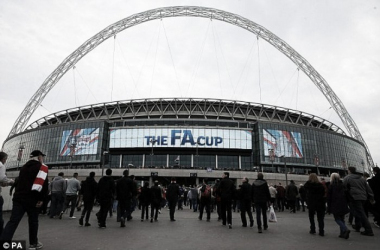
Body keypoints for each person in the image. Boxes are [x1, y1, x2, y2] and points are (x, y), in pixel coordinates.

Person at [0, 150, 48, 250]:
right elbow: (43, 185)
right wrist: (41, 199)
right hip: (33, 199)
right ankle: (33, 243)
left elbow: (19, 182)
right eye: (42, 157)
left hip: (19, 198)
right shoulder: (42, 167)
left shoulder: (24, 167)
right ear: (39, 157)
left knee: (13, 221)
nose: (43, 158)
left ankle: (4, 242)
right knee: (33, 221)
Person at [343, 166, 375, 236]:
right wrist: (371, 197)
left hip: (354, 197)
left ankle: (369, 230)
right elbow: (368, 188)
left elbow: (344, 188)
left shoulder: (347, 178)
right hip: (363, 197)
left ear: (349, 171)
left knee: (360, 213)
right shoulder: (362, 178)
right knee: (358, 211)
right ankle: (357, 226)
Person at [327, 173, 350, 239]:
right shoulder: (342, 184)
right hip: (343, 203)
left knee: (337, 218)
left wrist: (328, 207)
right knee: (342, 218)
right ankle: (342, 233)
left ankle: (345, 229)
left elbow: (329, 197)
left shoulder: (331, 185)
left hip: (335, 204)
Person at [0, 152, 14, 236]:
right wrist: (11, 181)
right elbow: (2, 178)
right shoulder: (1, 165)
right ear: (3, 159)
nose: (5, 161)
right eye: (5, 159)